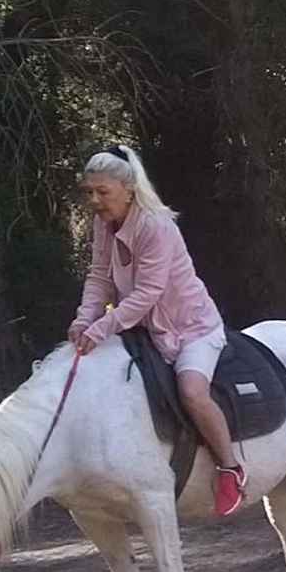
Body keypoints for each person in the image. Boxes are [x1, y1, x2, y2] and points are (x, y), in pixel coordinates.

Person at [68, 144, 246, 517]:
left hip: (193, 329)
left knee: (192, 392)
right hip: (147, 330)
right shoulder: (104, 226)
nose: (96, 201)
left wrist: (101, 328)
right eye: (90, 192)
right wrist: (84, 319)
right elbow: (99, 277)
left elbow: (148, 293)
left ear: (128, 189)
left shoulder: (155, 226)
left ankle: (231, 468)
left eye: (104, 192)